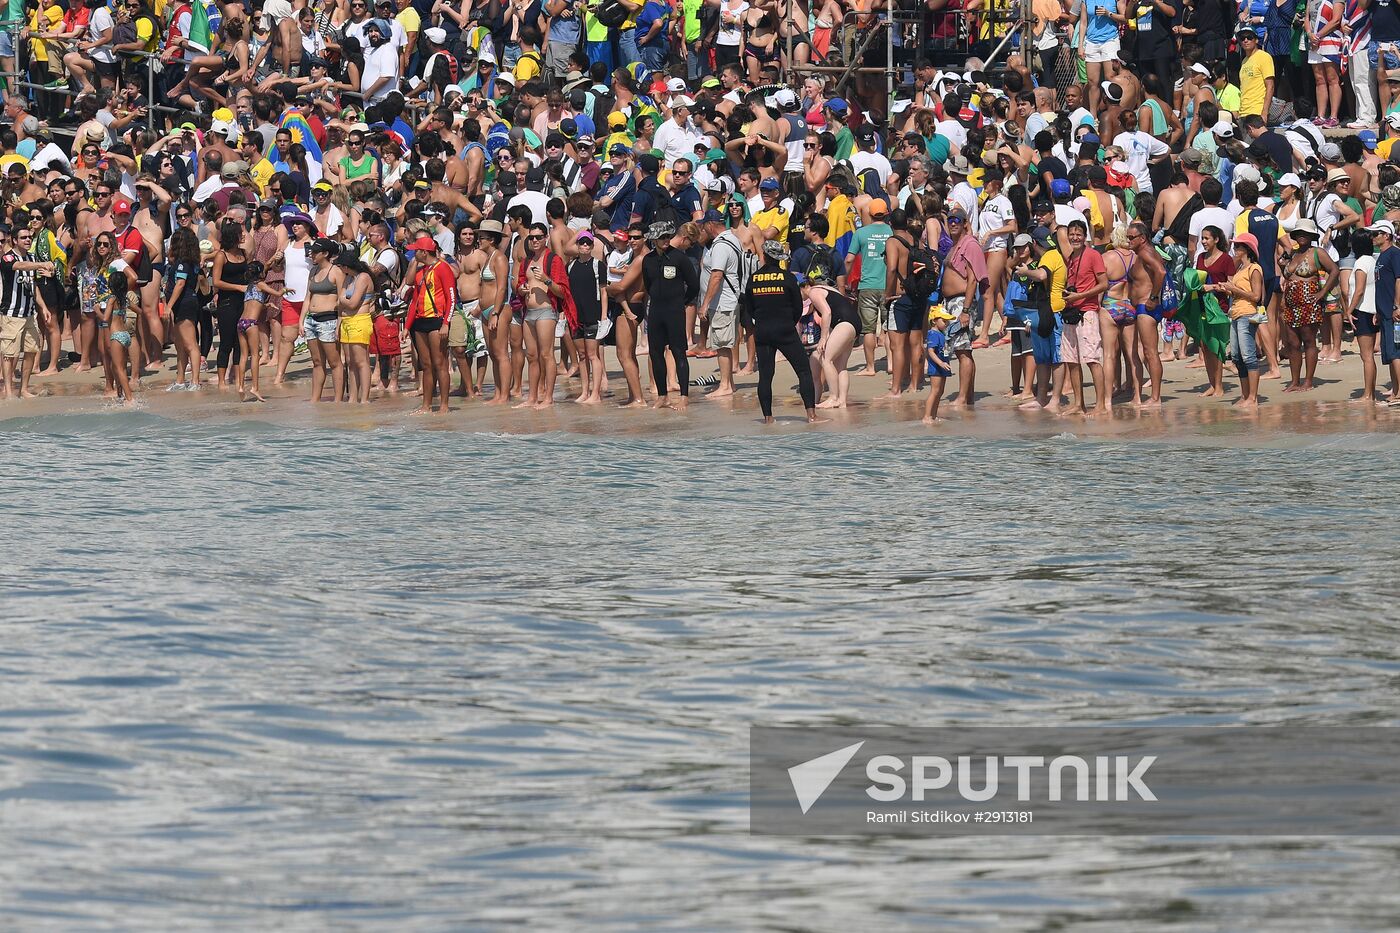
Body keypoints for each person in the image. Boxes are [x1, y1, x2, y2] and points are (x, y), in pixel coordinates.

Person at [740, 240, 822, 424]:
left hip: (763, 332)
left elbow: (750, 309)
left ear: (765, 257)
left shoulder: (754, 279)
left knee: (766, 376)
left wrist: (761, 323)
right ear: (779, 259)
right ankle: (811, 415)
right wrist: (789, 323)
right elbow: (797, 306)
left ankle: (768, 418)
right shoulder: (788, 278)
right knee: (803, 371)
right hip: (785, 330)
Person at [639, 219, 698, 411]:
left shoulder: (679, 257)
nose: (665, 240)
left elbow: (694, 285)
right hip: (656, 310)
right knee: (655, 353)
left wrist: (681, 302)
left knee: (678, 352)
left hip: (674, 311)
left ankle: (684, 396)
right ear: (654, 240)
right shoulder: (647, 260)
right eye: (661, 237)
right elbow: (648, 285)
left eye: (667, 236)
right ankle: (662, 395)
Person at [1206, 232, 1266, 410]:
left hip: (1247, 314)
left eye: (1238, 246)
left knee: (1248, 356)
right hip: (1236, 313)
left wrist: (1234, 289)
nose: (1235, 249)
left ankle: (1252, 397)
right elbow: (1238, 291)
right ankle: (1245, 395)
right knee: (1238, 357)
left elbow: (1256, 296)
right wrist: (1224, 289)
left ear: (1247, 249)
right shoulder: (1240, 269)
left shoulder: (1254, 268)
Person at [1280, 220, 1338, 393]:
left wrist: (1322, 293)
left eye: (1305, 233)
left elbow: (1334, 270)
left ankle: (1308, 381)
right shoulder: (1293, 253)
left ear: (1312, 235)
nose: (1301, 236)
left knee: (1309, 341)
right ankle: (1294, 381)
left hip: (1309, 301)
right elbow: (1288, 277)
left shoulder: (1317, 252)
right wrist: (1281, 263)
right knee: (1292, 343)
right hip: (1291, 302)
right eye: (1299, 233)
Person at [0, 225, 55, 400]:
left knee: (32, 349)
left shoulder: (31, 257)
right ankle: (9, 391)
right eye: (23, 237)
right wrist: (41, 264)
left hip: (30, 313)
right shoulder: (7, 258)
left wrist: (44, 308)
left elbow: (33, 286)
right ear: (14, 240)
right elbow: (19, 266)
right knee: (10, 353)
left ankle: (23, 389)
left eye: (29, 237)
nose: (27, 240)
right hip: (11, 313)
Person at [1061, 219, 1109, 416]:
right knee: (1071, 360)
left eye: (1078, 234)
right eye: (1072, 234)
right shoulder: (1071, 256)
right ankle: (1078, 404)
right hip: (1071, 312)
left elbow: (1104, 283)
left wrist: (1079, 296)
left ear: (1085, 235)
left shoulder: (1093, 255)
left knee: (1091, 359)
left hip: (1088, 311)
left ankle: (1100, 405)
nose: (1075, 237)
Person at [406, 233, 455, 414]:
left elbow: (451, 298)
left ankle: (444, 405)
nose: (413, 255)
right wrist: (407, 327)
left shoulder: (443, 268)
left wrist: (446, 323)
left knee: (439, 363)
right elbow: (415, 300)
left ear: (424, 253)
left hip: (437, 320)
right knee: (426, 365)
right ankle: (426, 405)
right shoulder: (421, 271)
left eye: (416, 252)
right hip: (420, 321)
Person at [804, 264, 861, 409]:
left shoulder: (813, 292)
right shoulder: (828, 288)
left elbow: (827, 313)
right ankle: (842, 400)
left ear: (803, 287)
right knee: (841, 366)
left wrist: (823, 338)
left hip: (845, 323)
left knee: (826, 359)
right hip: (854, 322)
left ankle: (833, 397)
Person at [301, 237, 345, 404]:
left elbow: (341, 301)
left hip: (329, 320)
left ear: (325, 254)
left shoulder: (336, 272)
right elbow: (307, 298)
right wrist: (301, 320)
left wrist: (339, 324)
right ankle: (315, 399)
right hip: (311, 320)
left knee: (334, 362)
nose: (311, 254)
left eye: (316, 252)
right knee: (317, 362)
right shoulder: (313, 271)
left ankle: (338, 399)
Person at [922, 305, 955, 424]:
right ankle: (927, 416)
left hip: (943, 365)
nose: (946, 323)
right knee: (935, 391)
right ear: (934, 321)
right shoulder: (933, 334)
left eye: (947, 321)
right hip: (936, 366)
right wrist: (940, 363)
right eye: (944, 320)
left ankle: (934, 415)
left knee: (940, 392)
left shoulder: (941, 334)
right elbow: (930, 352)